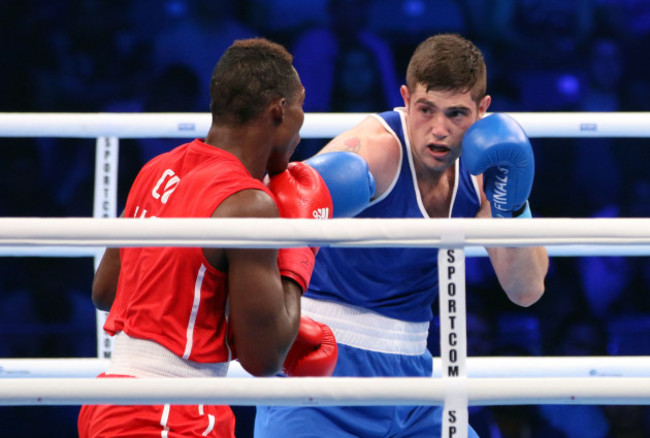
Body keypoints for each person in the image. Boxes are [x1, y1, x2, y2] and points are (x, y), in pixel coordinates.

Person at [255, 33, 549, 438]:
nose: (439, 130)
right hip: (323, 370)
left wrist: (511, 203)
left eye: (457, 115)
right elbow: (275, 219)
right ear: (406, 99)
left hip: (413, 379)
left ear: (483, 111)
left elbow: (526, 289)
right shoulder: (374, 151)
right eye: (426, 110)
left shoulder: (484, 170)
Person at [77, 38, 342, 438]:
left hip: (112, 404)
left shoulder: (157, 170)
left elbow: (105, 292)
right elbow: (264, 358)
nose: (303, 125)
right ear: (279, 110)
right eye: (301, 106)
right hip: (171, 413)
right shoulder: (249, 203)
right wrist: (300, 248)